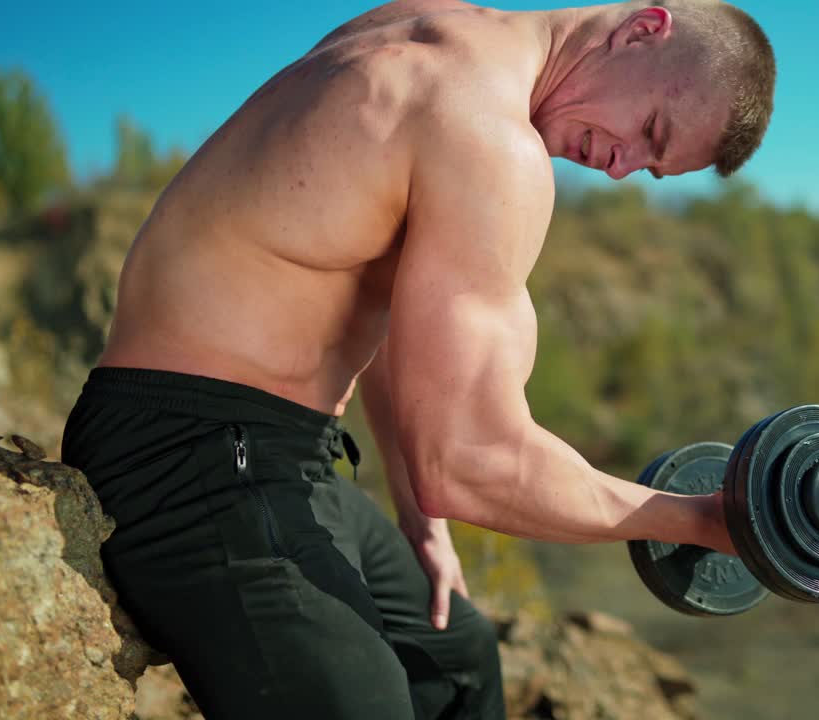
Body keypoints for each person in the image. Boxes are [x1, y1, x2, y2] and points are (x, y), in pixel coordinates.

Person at [60, 1, 775, 718]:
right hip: (192, 457)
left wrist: (421, 522)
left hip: (272, 451)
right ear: (643, 29)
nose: (621, 167)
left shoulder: (420, 26)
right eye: (649, 130)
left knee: (459, 659)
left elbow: (392, 316)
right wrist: (705, 521)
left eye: (652, 167)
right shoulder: (487, 136)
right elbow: (467, 462)